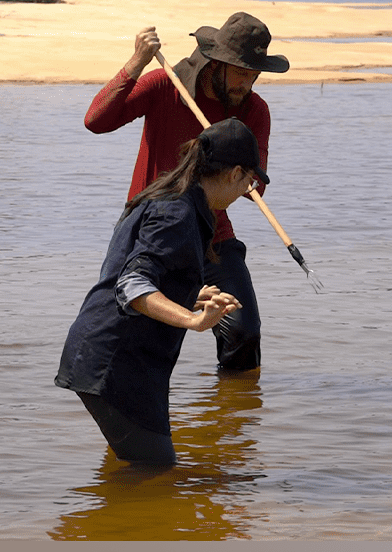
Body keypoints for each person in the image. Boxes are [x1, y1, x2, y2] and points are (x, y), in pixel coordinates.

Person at [85, 12, 290, 370]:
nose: (248, 83)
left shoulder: (255, 110)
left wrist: (250, 181)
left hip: (211, 236)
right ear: (217, 63)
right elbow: (96, 121)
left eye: (254, 74)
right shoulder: (166, 85)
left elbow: (255, 180)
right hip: (149, 232)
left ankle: (229, 419)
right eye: (241, 72)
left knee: (244, 332)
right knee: (131, 334)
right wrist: (136, 63)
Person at [56, 119, 267, 464]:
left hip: (109, 356)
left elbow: (135, 273)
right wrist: (194, 320)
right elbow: (132, 285)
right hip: (114, 362)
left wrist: (190, 294)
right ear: (234, 173)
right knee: (157, 472)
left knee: (134, 472)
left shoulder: (175, 198)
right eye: (250, 180)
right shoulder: (176, 213)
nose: (248, 189)